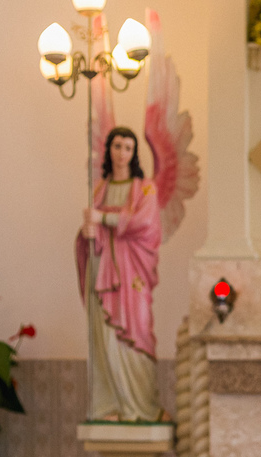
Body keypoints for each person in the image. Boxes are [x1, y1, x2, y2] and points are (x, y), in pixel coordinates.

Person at [74, 126, 164, 422]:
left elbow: (146, 224)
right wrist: (88, 233)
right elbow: (93, 234)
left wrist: (104, 218)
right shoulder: (99, 188)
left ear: (134, 153)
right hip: (103, 272)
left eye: (128, 147)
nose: (122, 153)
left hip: (132, 274)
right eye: (117, 146)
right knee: (104, 335)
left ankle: (141, 407)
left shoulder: (145, 188)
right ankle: (108, 406)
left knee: (136, 330)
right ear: (109, 150)